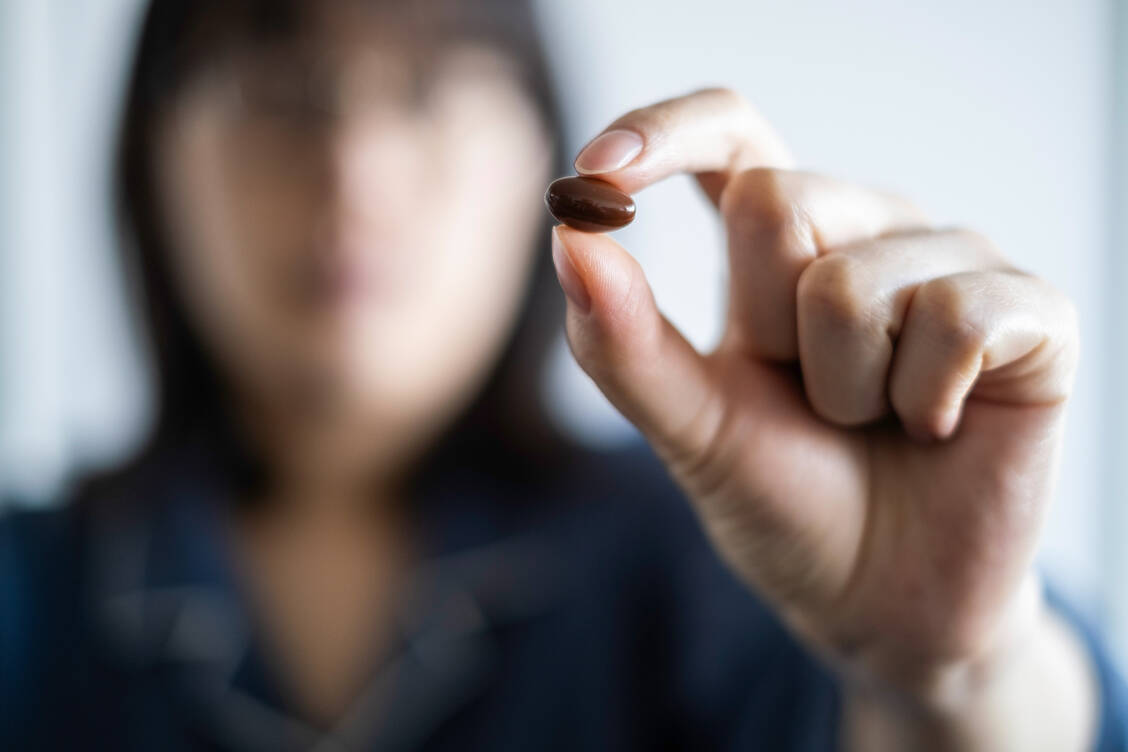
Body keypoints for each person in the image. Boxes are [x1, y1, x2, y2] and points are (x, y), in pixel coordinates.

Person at [2, 0, 1126, 749]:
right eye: (278, 88)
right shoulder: (27, 589)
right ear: (152, 160)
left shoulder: (720, 558)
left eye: (435, 90)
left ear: (538, 153)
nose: (354, 166)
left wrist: (957, 672)